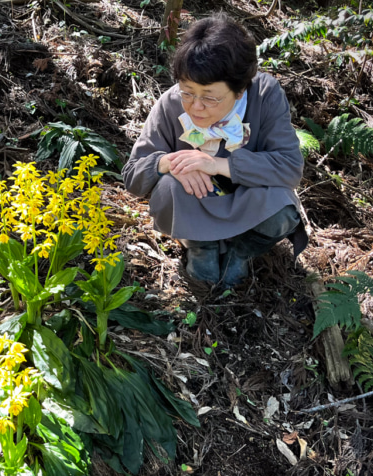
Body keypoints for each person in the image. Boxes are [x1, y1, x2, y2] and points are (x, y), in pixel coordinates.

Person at [122, 14, 307, 287]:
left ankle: (241, 252)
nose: (196, 106)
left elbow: (290, 167)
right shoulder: (172, 102)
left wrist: (218, 165)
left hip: (248, 204)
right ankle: (200, 247)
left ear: (240, 90)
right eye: (188, 91)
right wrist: (168, 162)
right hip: (197, 204)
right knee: (167, 188)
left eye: (209, 97)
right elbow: (132, 174)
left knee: (281, 207)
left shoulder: (265, 94)